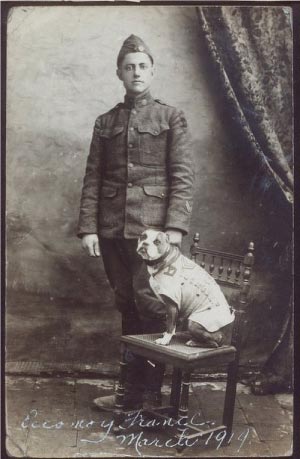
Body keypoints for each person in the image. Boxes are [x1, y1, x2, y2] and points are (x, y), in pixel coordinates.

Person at [78, 34, 194, 410]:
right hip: (112, 230)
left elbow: (182, 175)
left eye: (142, 66)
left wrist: (175, 226)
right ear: (119, 73)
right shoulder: (105, 121)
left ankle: (150, 391)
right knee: (126, 302)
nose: (136, 72)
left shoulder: (170, 117)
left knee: (154, 307)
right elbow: (93, 177)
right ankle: (129, 390)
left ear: (153, 71)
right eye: (129, 67)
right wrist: (89, 228)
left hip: (156, 235)